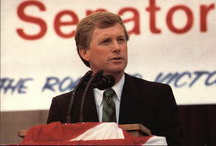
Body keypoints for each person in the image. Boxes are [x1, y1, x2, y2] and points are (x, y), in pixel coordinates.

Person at [47, 11, 183, 145]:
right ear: (84, 52)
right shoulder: (65, 107)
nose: (117, 48)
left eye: (121, 40)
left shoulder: (157, 96)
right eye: (106, 41)